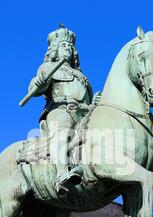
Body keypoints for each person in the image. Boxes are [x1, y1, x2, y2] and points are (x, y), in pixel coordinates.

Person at [27, 25, 93, 195]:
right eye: (64, 46)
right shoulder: (47, 68)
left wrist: (94, 105)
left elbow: (88, 101)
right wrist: (39, 84)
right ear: (55, 49)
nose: (68, 49)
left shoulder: (82, 77)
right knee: (61, 135)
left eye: (71, 47)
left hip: (82, 113)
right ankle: (62, 175)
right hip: (59, 111)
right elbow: (34, 89)